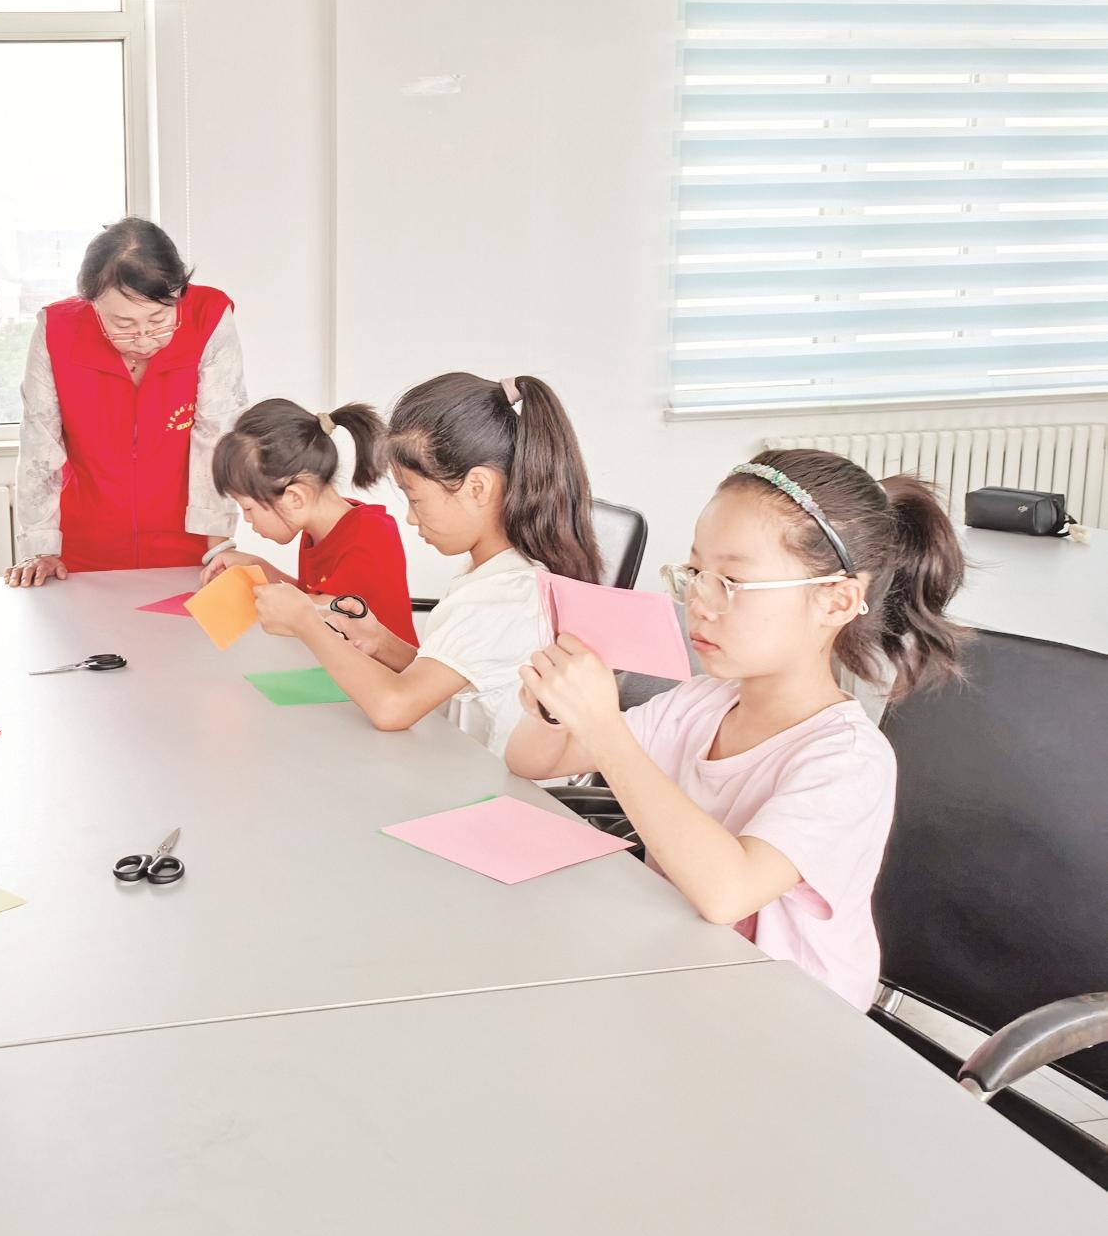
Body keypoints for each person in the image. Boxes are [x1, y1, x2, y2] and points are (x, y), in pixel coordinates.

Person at [507, 449, 966, 1008]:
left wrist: (605, 730)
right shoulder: (700, 704)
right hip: (679, 979)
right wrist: (553, 708)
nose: (699, 603)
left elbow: (729, 891)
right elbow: (531, 761)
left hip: (786, 1021)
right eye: (696, 574)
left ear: (837, 601)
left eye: (732, 581)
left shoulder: (848, 760)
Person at [254, 372, 599, 751]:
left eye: (415, 499)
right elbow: (450, 675)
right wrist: (382, 643)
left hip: (487, 779)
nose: (410, 517)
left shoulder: (502, 594)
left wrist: (306, 623)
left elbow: (393, 708)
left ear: (477, 487)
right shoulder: (494, 574)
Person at [7, 217, 248, 585]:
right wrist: (41, 547)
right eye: (123, 324)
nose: (144, 337)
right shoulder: (57, 330)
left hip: (188, 539)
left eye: (159, 318)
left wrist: (218, 546)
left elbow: (218, 435)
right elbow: (40, 441)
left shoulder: (209, 317)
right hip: (83, 545)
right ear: (92, 304)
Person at [200, 398, 417, 644]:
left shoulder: (371, 534)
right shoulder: (315, 532)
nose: (248, 519)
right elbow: (311, 599)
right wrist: (256, 565)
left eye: (248, 508)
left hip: (384, 667)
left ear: (295, 498)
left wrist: (260, 594)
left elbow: (330, 611)